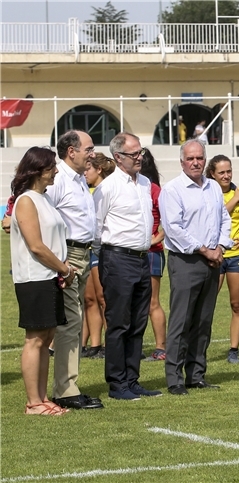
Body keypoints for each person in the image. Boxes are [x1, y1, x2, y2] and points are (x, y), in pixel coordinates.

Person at [160, 139, 232, 395]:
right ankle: (174, 378)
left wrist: (221, 247)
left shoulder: (213, 187)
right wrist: (204, 249)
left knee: (203, 320)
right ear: (182, 162)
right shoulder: (173, 190)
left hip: (213, 260)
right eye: (190, 158)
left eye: (199, 158)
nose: (195, 162)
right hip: (186, 260)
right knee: (181, 321)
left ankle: (196, 374)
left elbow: (224, 218)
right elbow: (174, 228)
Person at [94, 132, 159, 400]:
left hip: (142, 258)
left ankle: (132, 379)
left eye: (140, 152)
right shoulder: (107, 187)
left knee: (137, 323)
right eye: (134, 154)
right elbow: (96, 228)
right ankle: (117, 383)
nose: (139, 157)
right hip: (118, 258)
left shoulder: (144, 183)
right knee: (118, 323)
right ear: (118, 158)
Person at [10, 147, 73, 415]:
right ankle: (33, 402)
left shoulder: (44, 199)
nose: (56, 171)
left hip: (50, 276)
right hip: (34, 277)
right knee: (35, 338)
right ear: (37, 169)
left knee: (47, 336)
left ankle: (43, 398)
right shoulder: (26, 201)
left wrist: (61, 270)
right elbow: (36, 245)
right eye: (51, 167)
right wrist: (65, 269)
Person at [45, 130, 104, 410]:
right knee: (69, 322)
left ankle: (68, 385)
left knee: (73, 320)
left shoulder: (79, 179)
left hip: (82, 253)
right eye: (88, 148)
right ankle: (66, 389)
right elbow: (43, 218)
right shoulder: (57, 180)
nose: (92, 153)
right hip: (68, 255)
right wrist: (61, 261)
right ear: (71, 151)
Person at [205, 154, 239, 364]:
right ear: (212, 174)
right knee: (207, 303)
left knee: (237, 304)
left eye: (229, 171)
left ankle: (234, 350)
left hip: (236, 257)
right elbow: (214, 218)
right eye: (222, 172)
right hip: (213, 256)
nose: (226, 176)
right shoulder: (207, 193)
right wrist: (235, 199)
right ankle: (199, 347)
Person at [81, 152, 115, 359]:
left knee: (104, 298)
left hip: (102, 248)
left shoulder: (105, 190)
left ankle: (110, 342)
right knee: (90, 298)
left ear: (99, 169)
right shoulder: (85, 190)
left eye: (88, 169)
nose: (85, 173)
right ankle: (95, 344)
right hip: (89, 248)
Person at [139, 149, 167, 362]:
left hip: (151, 253)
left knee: (152, 302)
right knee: (136, 302)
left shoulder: (154, 189)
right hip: (132, 252)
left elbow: (167, 220)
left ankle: (160, 348)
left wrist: (154, 240)